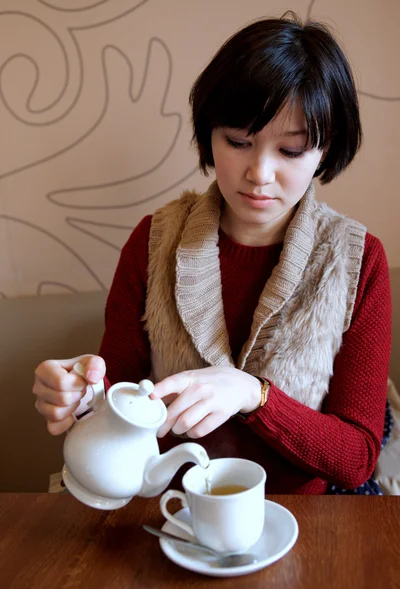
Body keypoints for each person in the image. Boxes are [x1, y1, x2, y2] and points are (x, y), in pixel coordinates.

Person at [33, 13, 392, 495]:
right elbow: (115, 399)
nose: (259, 173)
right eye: (239, 142)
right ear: (210, 136)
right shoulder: (153, 241)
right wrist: (79, 393)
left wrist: (253, 395)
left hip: (301, 526)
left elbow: (358, 457)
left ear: (324, 151)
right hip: (166, 511)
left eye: (291, 151)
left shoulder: (358, 262)